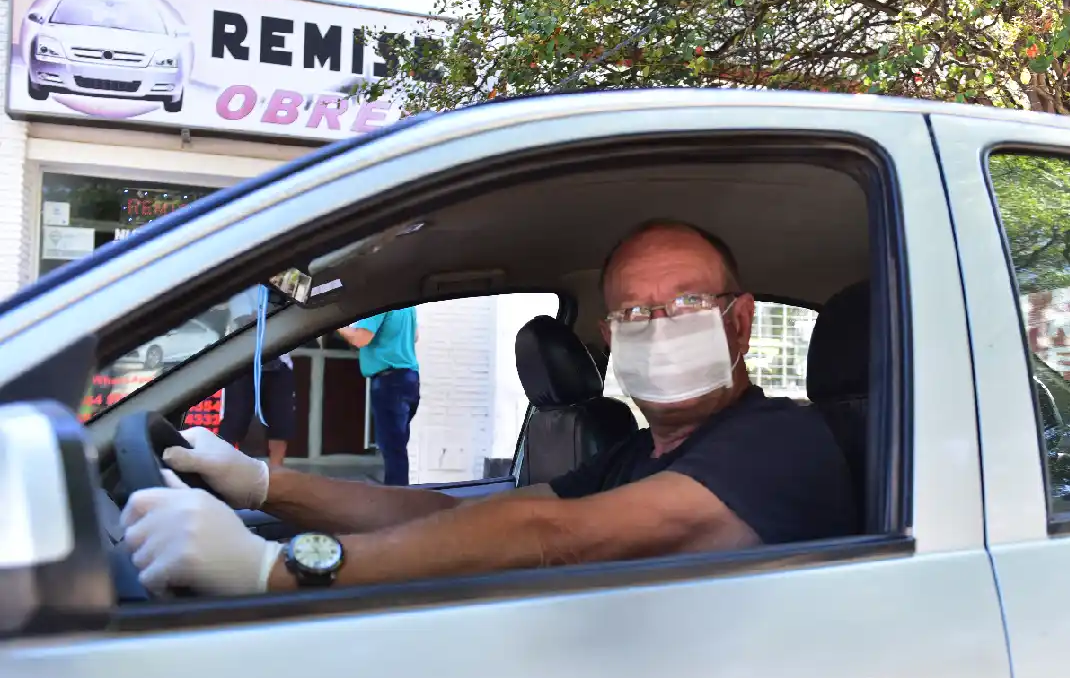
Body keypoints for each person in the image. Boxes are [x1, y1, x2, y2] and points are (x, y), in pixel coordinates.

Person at [120, 220, 857, 596]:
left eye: (688, 303)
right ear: (610, 337)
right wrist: (262, 484)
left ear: (740, 322)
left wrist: (275, 570)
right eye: (635, 312)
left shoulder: (782, 442)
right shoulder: (637, 455)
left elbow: (552, 534)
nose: (660, 328)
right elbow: (445, 517)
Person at [336, 308, 420, 485]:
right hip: (410, 379)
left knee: (393, 451)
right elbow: (415, 336)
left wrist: (337, 326)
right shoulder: (408, 305)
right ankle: (400, 495)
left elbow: (360, 339)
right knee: (397, 447)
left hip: (390, 382)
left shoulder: (379, 304)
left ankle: (397, 498)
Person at [217, 287, 296, 468]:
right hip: (242, 362)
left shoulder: (285, 284)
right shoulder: (244, 286)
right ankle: (220, 467)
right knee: (234, 422)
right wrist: (274, 317)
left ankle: (276, 473)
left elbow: (294, 317)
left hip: (279, 361)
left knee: (281, 423)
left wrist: (268, 316)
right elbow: (247, 322)